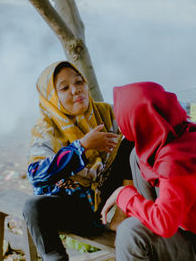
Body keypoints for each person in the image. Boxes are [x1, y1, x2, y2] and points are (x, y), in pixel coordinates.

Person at [101, 82, 196, 261]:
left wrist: (123, 195)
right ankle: (149, 226)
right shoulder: (181, 133)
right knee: (137, 157)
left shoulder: (176, 161)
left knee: (130, 233)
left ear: (137, 120)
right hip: (195, 232)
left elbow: (164, 225)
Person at [22, 61, 133, 261]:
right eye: (64, 87)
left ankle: (124, 213)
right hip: (69, 207)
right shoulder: (46, 128)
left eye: (79, 81)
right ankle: (54, 256)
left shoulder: (104, 113)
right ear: (51, 97)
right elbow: (35, 175)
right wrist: (81, 147)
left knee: (132, 142)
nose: (76, 90)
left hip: (103, 196)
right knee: (32, 207)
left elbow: (137, 118)